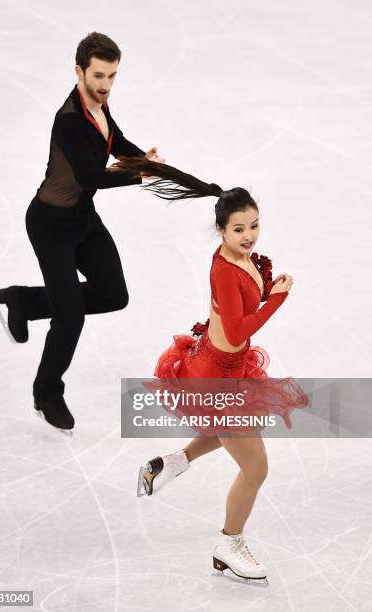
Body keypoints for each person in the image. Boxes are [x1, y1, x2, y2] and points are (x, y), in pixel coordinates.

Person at [110, 154, 308, 585]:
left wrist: (265, 287)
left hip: (223, 366)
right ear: (221, 230)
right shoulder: (225, 271)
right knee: (256, 469)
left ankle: (172, 463)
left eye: (254, 225)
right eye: (239, 229)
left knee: (235, 430)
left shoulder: (239, 260)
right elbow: (236, 333)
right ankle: (228, 544)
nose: (249, 235)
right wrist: (276, 300)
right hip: (217, 371)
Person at [0, 32, 164, 433]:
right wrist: (138, 175)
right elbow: (89, 176)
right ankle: (46, 392)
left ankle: (25, 301)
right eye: (98, 75)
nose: (105, 85)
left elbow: (115, 140)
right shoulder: (68, 120)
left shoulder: (99, 107)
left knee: (113, 294)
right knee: (70, 317)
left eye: (112, 76)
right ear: (79, 71)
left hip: (83, 220)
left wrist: (143, 161)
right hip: (50, 224)